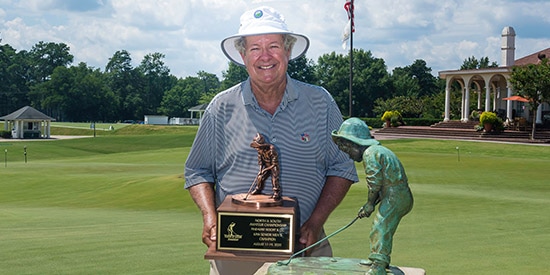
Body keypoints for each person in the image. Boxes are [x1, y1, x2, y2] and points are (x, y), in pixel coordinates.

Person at [184, 6, 358, 275]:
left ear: (288, 51)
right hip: (234, 255)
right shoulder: (221, 107)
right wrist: (209, 216)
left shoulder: (320, 102)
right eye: (254, 48)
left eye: (273, 46)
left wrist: (316, 222)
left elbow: (342, 168)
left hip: (304, 250)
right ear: (242, 56)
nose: (265, 56)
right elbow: (197, 171)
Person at [331, 118, 414, 275]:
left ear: (354, 144)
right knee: (381, 226)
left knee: (381, 226)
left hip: (396, 196)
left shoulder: (370, 153)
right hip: (395, 195)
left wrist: (370, 204)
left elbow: (374, 184)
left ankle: (379, 265)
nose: (349, 156)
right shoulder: (377, 151)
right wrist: (369, 204)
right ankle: (377, 258)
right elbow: (382, 186)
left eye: (348, 151)